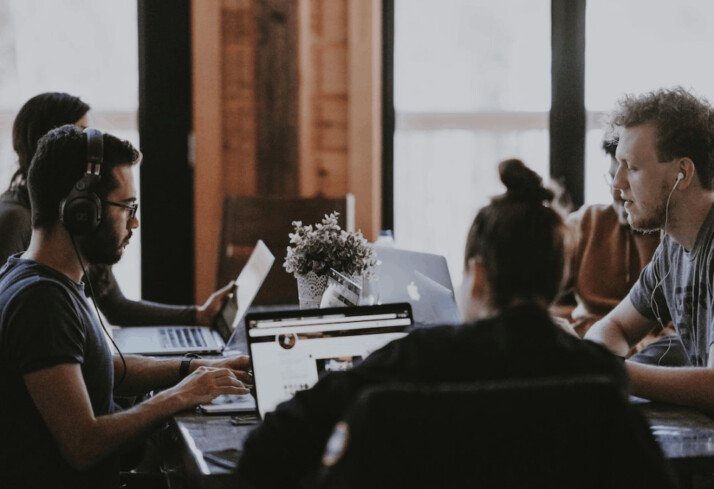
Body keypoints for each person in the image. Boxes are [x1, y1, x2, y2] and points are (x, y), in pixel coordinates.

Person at [236, 159, 630, 488]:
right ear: (559, 278)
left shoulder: (411, 360)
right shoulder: (600, 376)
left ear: (477, 277)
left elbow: (265, 449)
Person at [0, 125, 251, 488]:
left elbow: (105, 367)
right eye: (128, 207)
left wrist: (197, 367)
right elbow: (83, 444)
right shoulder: (41, 301)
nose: (134, 222)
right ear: (82, 211)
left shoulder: (39, 277)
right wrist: (183, 394)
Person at [0, 92, 231, 327]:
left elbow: (117, 307)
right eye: (81, 133)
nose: (94, 151)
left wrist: (198, 315)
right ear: (50, 142)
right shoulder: (16, 219)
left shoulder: (88, 217)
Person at [585, 86, 714, 408]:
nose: (617, 184)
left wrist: (610, 372)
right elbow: (613, 326)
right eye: (618, 165)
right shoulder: (673, 245)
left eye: (633, 167)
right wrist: (604, 364)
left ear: (682, 174)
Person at [559, 132, 688, 366]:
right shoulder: (586, 223)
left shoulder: (676, 242)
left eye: (632, 177)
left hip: (647, 354)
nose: (617, 192)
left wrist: (610, 366)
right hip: (597, 343)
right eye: (611, 178)